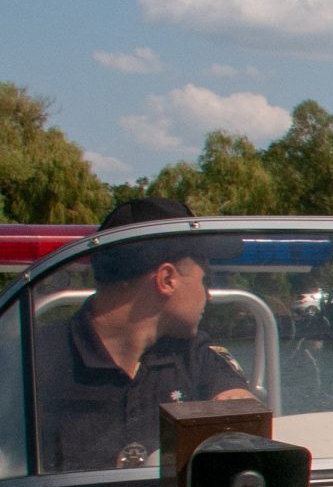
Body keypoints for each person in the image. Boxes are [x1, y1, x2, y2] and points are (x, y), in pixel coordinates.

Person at [33, 196, 258, 472]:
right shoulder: (34, 363)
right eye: (205, 279)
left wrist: (237, 407)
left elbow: (237, 404)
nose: (208, 295)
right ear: (167, 279)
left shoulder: (194, 355)